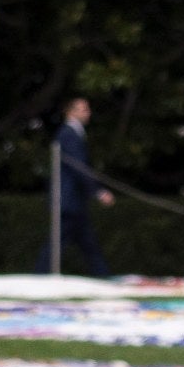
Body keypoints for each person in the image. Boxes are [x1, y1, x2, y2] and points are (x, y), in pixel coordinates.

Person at [54, 95, 113, 279]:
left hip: (74, 200)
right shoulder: (68, 133)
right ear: (71, 112)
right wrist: (98, 191)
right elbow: (78, 167)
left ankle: (103, 276)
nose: (88, 113)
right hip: (69, 199)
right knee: (58, 244)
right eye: (84, 109)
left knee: (87, 242)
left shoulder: (73, 133)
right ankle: (40, 278)